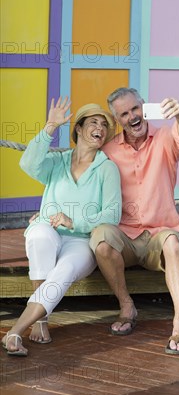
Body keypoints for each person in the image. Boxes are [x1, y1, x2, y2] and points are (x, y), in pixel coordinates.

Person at [2, 97, 122, 356]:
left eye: (104, 124)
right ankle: (42, 321)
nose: (99, 128)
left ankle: (16, 330)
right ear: (78, 129)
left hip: (81, 241)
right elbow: (28, 164)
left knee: (65, 268)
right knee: (38, 235)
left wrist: (74, 221)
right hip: (51, 233)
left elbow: (112, 214)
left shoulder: (107, 169)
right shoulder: (57, 162)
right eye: (93, 122)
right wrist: (49, 127)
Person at [90, 87, 179, 355]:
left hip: (159, 234)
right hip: (124, 237)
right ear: (117, 120)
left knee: (173, 242)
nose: (132, 117)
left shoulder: (164, 138)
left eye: (135, 109)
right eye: (124, 114)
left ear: (143, 107)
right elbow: (82, 178)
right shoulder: (109, 150)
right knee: (101, 239)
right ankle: (127, 306)